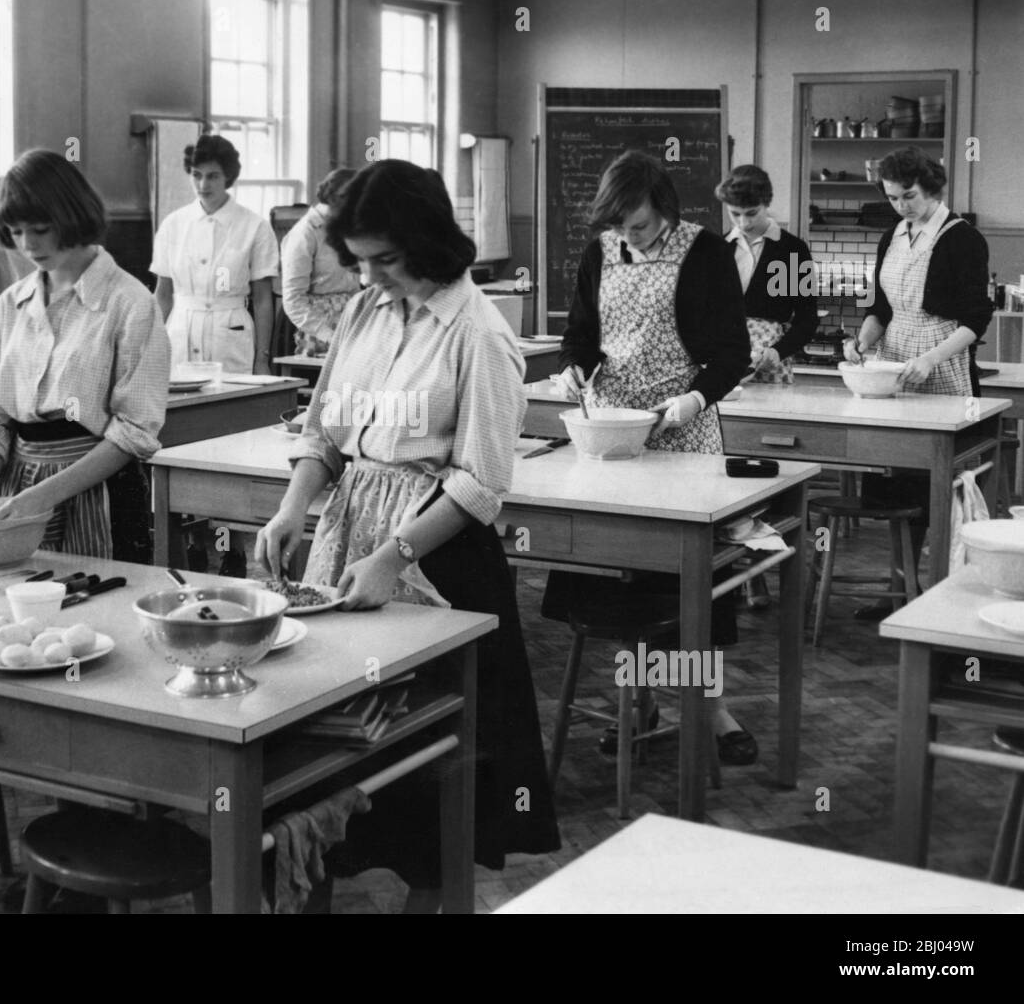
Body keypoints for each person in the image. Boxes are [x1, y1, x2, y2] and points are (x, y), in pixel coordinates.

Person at [255, 159, 560, 910]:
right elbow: (327, 429)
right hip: (349, 536)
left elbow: (481, 483)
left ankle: (432, 900)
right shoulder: (365, 311)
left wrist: (395, 554)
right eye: (359, 263)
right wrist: (293, 507)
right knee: (338, 739)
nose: (371, 278)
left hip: (437, 555)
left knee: (430, 757)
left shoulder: (480, 333)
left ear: (427, 242)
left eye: (385, 260)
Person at [547, 150, 757, 765]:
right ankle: (636, 701)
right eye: (617, 227)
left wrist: (695, 398)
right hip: (612, 433)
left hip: (681, 431)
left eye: (637, 226)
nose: (627, 238)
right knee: (618, 572)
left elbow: (731, 351)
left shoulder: (705, 252)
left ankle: (710, 707)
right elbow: (581, 335)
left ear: (664, 210)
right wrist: (572, 370)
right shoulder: (599, 252)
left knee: (688, 577)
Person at [0, 150, 170, 562]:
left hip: (100, 488)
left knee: (99, 611)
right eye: (15, 232)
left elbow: (134, 432)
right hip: (17, 484)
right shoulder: (10, 304)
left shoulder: (129, 302)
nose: (27, 245)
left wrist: (43, 495)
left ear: (73, 217)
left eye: (39, 229)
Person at [845, 145, 992, 619]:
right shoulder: (894, 235)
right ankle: (900, 588)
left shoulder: (962, 238)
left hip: (942, 362)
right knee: (895, 479)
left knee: (938, 482)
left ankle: (940, 598)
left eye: (908, 196)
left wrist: (931, 358)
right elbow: (881, 308)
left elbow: (975, 317)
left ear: (932, 188)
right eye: (892, 198)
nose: (900, 206)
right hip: (894, 361)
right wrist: (862, 343)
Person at [151, 134, 277, 375]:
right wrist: (149, 349)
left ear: (228, 177)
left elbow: (263, 300)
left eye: (212, 176)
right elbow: (163, 294)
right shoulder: (173, 224)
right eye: (196, 175)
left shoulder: (254, 226)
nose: (203, 185)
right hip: (180, 331)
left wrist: (262, 359)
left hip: (230, 336)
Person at [717, 164, 818, 385]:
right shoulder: (718, 249)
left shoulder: (792, 251)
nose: (744, 223)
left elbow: (807, 318)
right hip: (722, 360)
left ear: (767, 203)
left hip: (770, 363)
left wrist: (778, 352)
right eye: (735, 214)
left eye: (752, 213)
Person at [281, 168, 360, 356]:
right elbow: (293, 300)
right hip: (317, 328)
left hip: (349, 321)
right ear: (336, 199)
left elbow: (353, 283)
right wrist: (328, 335)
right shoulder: (305, 233)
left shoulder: (344, 226)